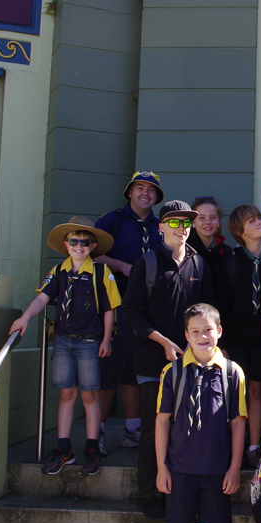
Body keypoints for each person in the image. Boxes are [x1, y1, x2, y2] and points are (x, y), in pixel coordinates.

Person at [123, 199, 217, 519]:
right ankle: (149, 496)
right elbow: (131, 314)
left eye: (186, 222)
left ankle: (177, 494)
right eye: (174, 223)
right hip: (153, 363)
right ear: (161, 227)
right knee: (153, 428)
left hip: (189, 364)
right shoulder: (146, 264)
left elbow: (208, 313)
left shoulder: (199, 265)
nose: (182, 228)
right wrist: (161, 340)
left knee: (183, 429)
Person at [10, 216, 120, 476]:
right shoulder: (58, 272)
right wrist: (25, 317)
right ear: (66, 244)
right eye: (74, 241)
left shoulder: (102, 273)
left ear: (93, 246)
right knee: (66, 394)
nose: (79, 246)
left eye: (84, 242)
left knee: (89, 395)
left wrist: (106, 339)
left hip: (90, 343)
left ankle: (92, 448)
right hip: (62, 341)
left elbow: (109, 310)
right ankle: (63, 449)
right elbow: (43, 298)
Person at [155, 303, 246, 523]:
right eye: (195, 331)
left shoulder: (232, 372)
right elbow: (162, 420)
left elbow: (239, 423)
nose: (202, 336)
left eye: (208, 330)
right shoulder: (172, 372)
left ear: (219, 331)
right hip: (180, 468)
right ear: (186, 336)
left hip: (216, 469)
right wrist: (162, 467)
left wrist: (234, 468)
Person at [94, 171, 164, 454]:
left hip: (149, 310)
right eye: (139, 188)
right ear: (130, 193)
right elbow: (92, 254)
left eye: (151, 190)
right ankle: (94, 432)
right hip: (116, 305)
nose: (145, 193)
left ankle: (132, 430)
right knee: (110, 369)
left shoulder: (161, 226)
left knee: (136, 371)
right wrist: (122, 266)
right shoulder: (113, 220)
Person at [216, 204, 261, 468]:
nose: (260, 222)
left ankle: (256, 444)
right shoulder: (230, 265)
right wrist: (221, 345)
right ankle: (240, 445)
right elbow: (221, 306)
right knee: (240, 393)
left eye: (259, 218)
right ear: (240, 232)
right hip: (235, 341)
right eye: (252, 221)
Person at [188, 196, 232, 278]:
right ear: (193, 222)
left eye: (213, 217)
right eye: (202, 218)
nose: (208, 222)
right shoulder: (185, 250)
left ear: (219, 221)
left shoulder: (226, 252)